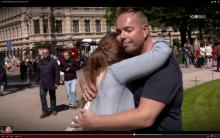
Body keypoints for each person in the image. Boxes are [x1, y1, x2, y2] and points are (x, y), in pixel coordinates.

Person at [71, 8, 183, 131]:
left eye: (128, 30)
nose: (122, 36)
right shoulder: (129, 56)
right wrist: (88, 76)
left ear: (145, 30)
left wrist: (93, 123)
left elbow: (145, 117)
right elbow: (104, 65)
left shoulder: (164, 65)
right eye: (119, 32)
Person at [66, 31, 171, 131]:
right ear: (123, 52)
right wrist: (157, 39)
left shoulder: (98, 72)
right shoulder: (118, 70)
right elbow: (162, 52)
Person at [36, 47, 60, 118]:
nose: (45, 54)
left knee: (52, 96)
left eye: (46, 53)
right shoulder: (39, 62)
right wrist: (37, 80)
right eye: (43, 53)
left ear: (49, 53)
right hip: (42, 82)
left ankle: (53, 109)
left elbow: (57, 72)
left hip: (51, 82)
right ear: (42, 54)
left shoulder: (53, 61)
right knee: (42, 96)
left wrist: (56, 82)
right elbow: (37, 72)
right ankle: (45, 111)